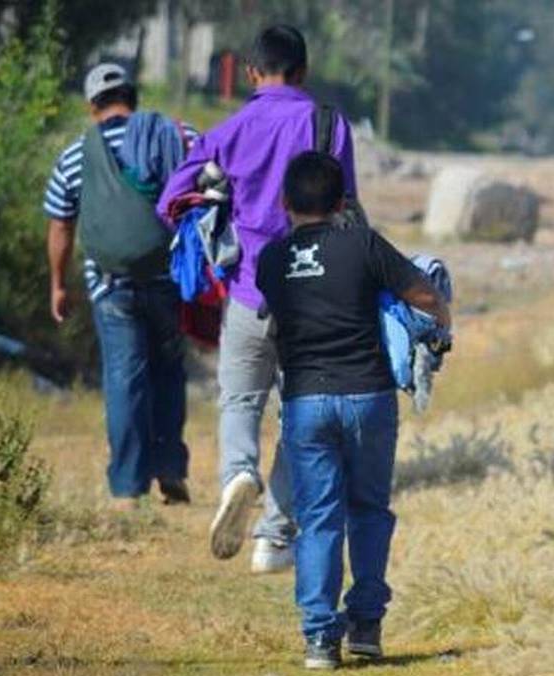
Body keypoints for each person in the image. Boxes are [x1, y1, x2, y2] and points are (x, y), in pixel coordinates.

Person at [159, 25, 359, 573]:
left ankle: (237, 475)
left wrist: (218, 198)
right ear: (303, 70)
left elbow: (170, 201)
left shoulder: (229, 129)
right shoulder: (328, 124)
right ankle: (273, 536)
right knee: (302, 415)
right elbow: (350, 207)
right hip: (315, 299)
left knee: (240, 401)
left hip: (249, 292)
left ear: (251, 73)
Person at [256, 151, 450, 670]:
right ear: (342, 201)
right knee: (368, 510)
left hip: (306, 401)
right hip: (368, 397)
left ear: (284, 203)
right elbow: (422, 294)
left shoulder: (270, 260)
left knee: (318, 518)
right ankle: (365, 625)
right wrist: (442, 320)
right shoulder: (362, 244)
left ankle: (320, 639)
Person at [45, 63, 196, 510]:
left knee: (125, 380)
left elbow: (60, 225)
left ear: (93, 107)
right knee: (168, 372)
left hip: (112, 286)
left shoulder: (75, 154)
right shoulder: (175, 136)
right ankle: (169, 468)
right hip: (169, 280)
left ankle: (128, 488)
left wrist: (58, 284)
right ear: (133, 97)